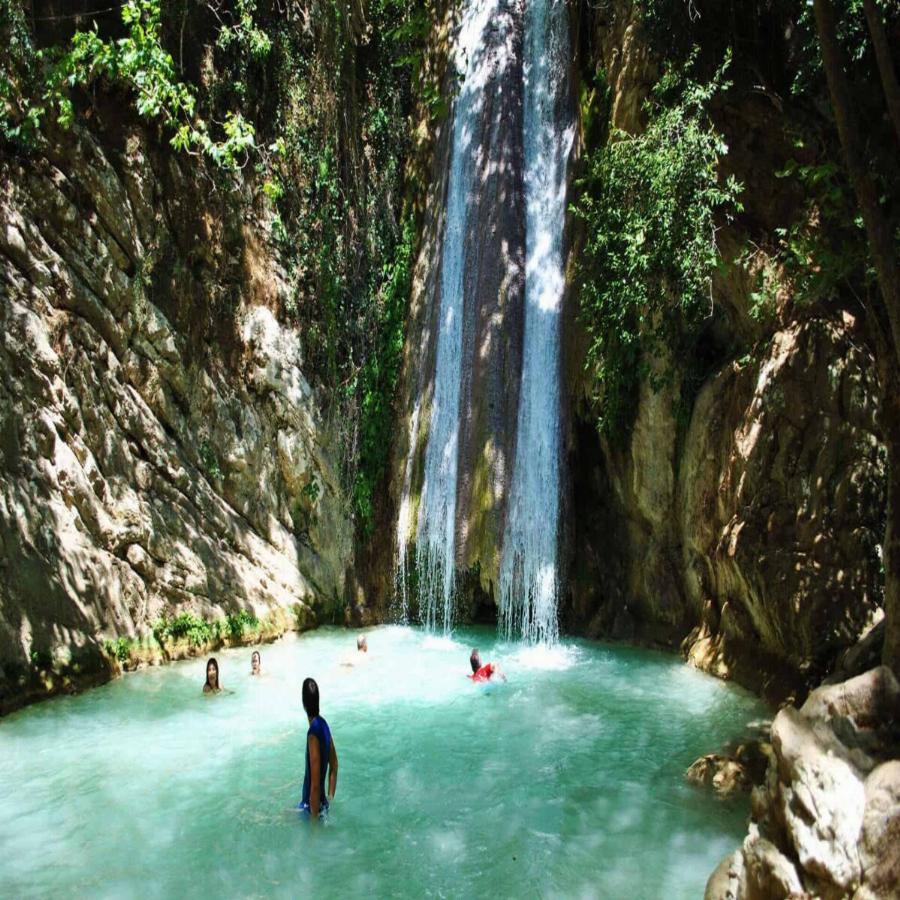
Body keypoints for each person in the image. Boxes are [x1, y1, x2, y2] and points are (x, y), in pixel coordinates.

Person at [299, 677, 338, 821]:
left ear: (303, 704)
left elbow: (314, 786)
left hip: (310, 810)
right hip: (321, 806)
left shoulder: (313, 735)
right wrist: (330, 798)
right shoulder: (324, 725)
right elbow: (334, 765)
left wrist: (314, 829)